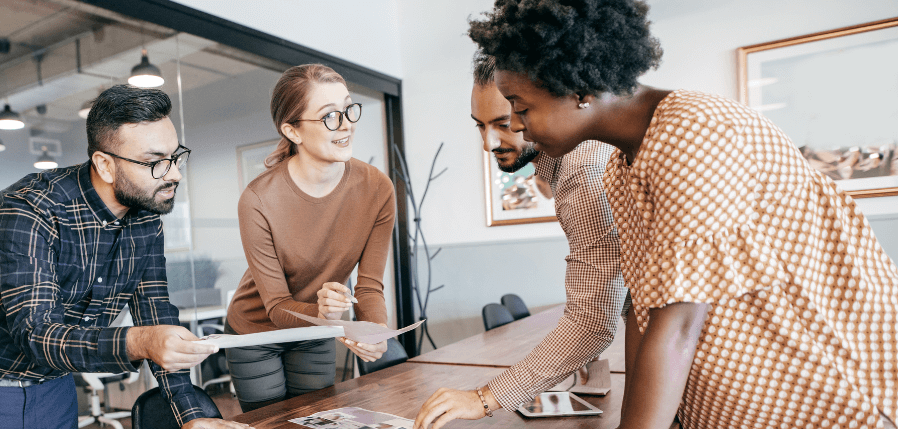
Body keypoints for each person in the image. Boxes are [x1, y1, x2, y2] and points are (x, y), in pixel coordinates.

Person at [467, 1, 898, 428]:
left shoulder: (695, 132)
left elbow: (677, 329)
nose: (517, 128)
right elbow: (647, 310)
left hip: (831, 402)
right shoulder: (623, 167)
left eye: (521, 110)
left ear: (579, 90)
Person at [0, 85, 248, 429]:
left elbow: (155, 318)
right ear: (104, 165)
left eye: (175, 157)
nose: (175, 173)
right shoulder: (29, 209)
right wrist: (140, 341)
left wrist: (190, 417)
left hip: (54, 388)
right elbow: (37, 334)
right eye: (154, 162)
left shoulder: (146, 220)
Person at [414, 53, 627, 429]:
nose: (488, 143)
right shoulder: (575, 162)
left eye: (505, 121)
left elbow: (593, 321)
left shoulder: (583, 169)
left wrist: (484, 398)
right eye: (480, 126)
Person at [226, 64, 397, 411]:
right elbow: (276, 307)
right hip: (256, 330)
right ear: (293, 130)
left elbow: (368, 288)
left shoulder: (377, 188)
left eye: (348, 109)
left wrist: (375, 331)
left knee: (318, 418)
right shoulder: (258, 199)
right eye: (329, 116)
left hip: (320, 326)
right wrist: (332, 318)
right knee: (272, 422)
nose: (346, 123)